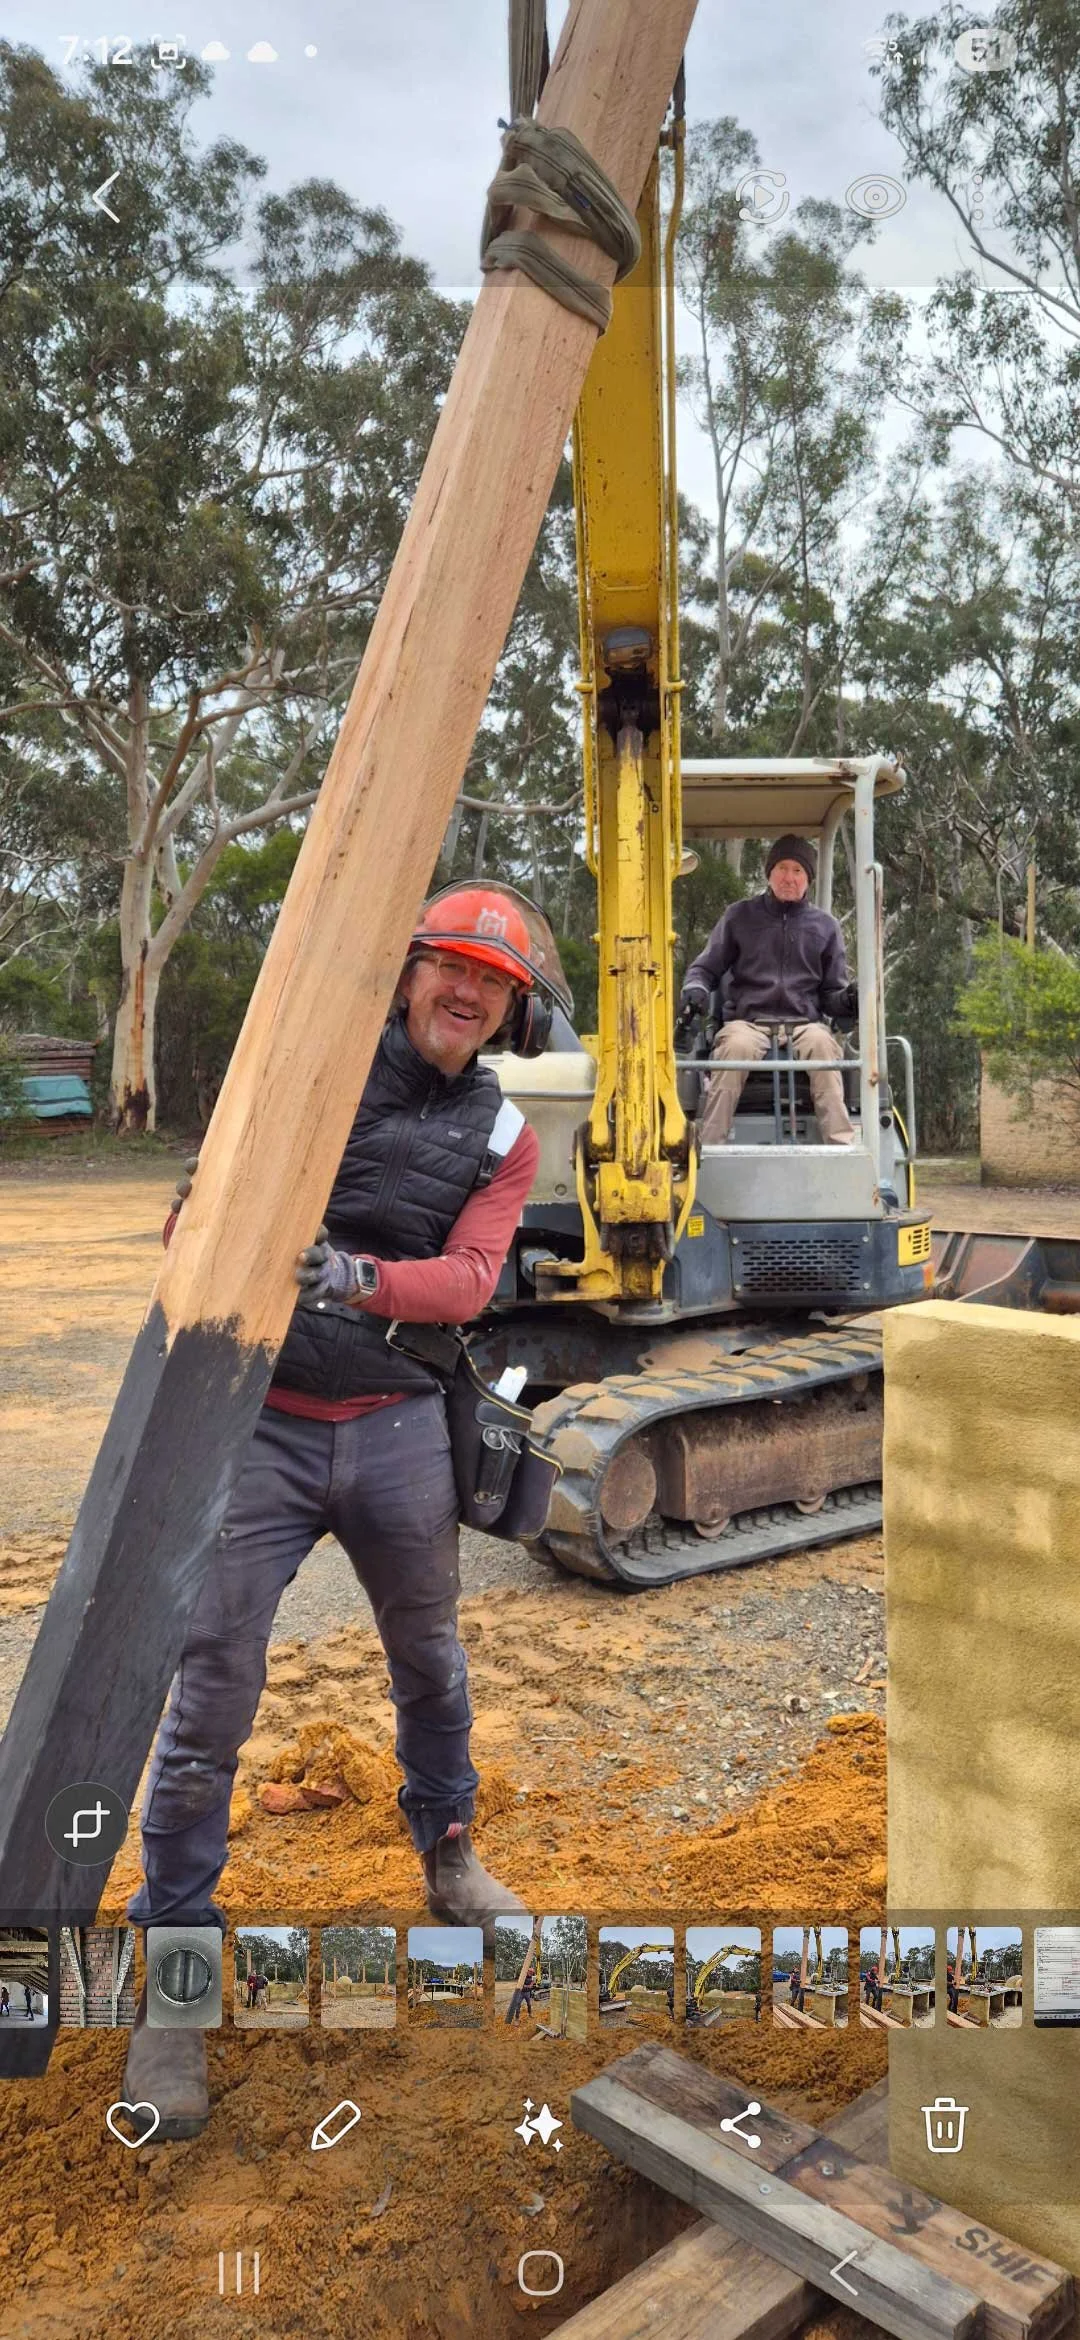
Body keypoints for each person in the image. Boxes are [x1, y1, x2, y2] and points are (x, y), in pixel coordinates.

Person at [123, 885, 546, 2140]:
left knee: (430, 1660)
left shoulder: (505, 1130)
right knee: (212, 1686)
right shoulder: (309, 1072)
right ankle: (178, 1976)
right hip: (261, 1420)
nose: (465, 993)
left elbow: (470, 1283)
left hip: (402, 1425)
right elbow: (194, 1216)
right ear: (408, 970)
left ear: (512, 1009)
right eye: (449, 968)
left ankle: (450, 1855)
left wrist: (357, 1278)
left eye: (492, 983)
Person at [679, 834, 857, 1145]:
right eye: (782, 868)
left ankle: (842, 1149)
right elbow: (703, 968)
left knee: (825, 1048)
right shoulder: (739, 916)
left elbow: (832, 994)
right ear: (769, 873)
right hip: (749, 1022)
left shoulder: (825, 927)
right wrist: (696, 988)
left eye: (798, 871)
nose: (789, 877)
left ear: (808, 879)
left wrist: (848, 1000)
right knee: (734, 1049)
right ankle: (709, 1149)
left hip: (804, 1024)